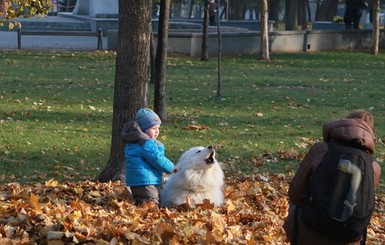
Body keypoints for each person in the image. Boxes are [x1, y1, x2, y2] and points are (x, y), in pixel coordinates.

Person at [283, 110, 381, 245]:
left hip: (308, 232)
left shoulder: (320, 150)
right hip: (348, 238)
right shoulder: (374, 167)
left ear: (344, 124)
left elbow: (294, 194)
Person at [121, 108, 175, 205]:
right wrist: (173, 169)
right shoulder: (146, 143)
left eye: (158, 128)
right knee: (150, 203)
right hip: (145, 181)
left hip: (143, 180)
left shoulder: (138, 141)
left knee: (153, 201)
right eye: (153, 128)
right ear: (143, 130)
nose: (157, 132)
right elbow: (157, 158)